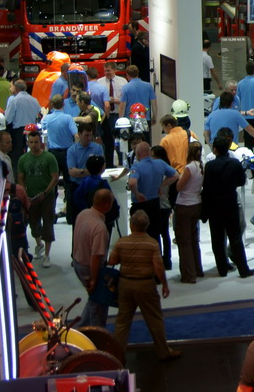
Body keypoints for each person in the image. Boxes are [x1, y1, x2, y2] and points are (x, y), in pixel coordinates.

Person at [107, 209, 182, 362]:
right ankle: (163, 351)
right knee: (155, 319)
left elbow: (112, 261)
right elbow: (158, 266)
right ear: (147, 225)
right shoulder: (152, 243)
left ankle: (117, 355)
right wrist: (165, 285)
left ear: (131, 225)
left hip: (125, 283)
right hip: (146, 284)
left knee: (122, 322)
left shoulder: (122, 242)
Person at [201, 135, 254, 278]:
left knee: (217, 239)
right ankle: (243, 269)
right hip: (231, 203)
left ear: (215, 149)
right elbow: (241, 181)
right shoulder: (235, 163)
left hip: (215, 206)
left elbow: (207, 188)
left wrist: (204, 210)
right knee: (236, 238)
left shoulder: (210, 166)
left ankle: (222, 269)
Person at [72, 188, 113, 328]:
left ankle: (82, 329)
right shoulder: (100, 227)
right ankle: (95, 334)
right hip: (89, 268)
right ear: (107, 204)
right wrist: (94, 280)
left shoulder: (83, 214)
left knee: (94, 300)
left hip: (77, 262)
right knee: (98, 306)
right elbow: (96, 257)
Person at [18, 128, 59, 268]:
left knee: (48, 224)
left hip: (47, 197)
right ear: (28, 143)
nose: (34, 145)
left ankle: (47, 254)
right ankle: (39, 244)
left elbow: (55, 177)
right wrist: (25, 193)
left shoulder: (49, 158)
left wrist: (45, 192)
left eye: (36, 142)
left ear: (40, 142)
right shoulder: (23, 159)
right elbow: (20, 178)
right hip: (31, 197)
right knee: (33, 223)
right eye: (31, 142)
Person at [174, 142, 205, 284]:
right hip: (196, 203)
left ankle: (189, 274)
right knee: (193, 239)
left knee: (184, 241)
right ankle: (197, 269)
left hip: (184, 205)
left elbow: (179, 187)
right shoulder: (201, 166)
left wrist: (180, 177)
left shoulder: (189, 167)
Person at [66, 122, 103, 224]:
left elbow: (101, 168)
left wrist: (80, 171)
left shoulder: (98, 148)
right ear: (79, 134)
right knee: (77, 220)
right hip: (77, 187)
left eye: (90, 135)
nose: (89, 138)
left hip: (94, 187)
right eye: (86, 135)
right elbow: (72, 172)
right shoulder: (71, 151)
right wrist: (92, 171)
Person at [5, 79, 41, 163]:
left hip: (18, 132)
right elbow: (39, 113)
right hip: (32, 131)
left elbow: (8, 118)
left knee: (17, 156)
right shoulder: (34, 100)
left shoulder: (14, 100)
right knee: (32, 153)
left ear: (16, 88)